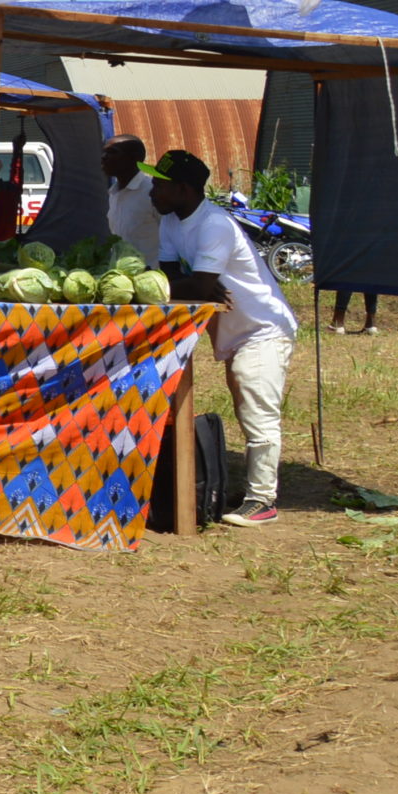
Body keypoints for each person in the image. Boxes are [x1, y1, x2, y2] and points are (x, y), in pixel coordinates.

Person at [150, 149, 298, 527]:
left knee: (257, 412)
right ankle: (253, 490)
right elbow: (173, 281)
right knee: (245, 406)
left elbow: (193, 285)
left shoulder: (215, 224)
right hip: (237, 332)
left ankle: (263, 501)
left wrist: (196, 286)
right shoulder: (171, 221)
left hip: (262, 330)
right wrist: (194, 286)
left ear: (183, 189)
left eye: (159, 184)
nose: (152, 190)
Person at [101, 135, 163, 264]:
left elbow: (172, 238)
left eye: (112, 152)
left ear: (134, 158)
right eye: (104, 152)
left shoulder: (152, 192)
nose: (104, 157)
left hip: (151, 277)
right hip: (124, 277)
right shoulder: (113, 193)